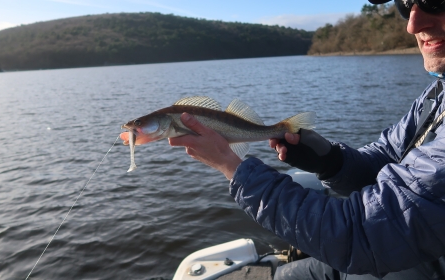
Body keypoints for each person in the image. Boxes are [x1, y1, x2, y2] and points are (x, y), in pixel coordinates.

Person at [168, 1, 445, 279]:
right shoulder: (437, 93)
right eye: (405, 4)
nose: (412, 24)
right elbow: (388, 156)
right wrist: (332, 161)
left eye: (433, 0)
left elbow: (363, 234)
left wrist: (231, 166)